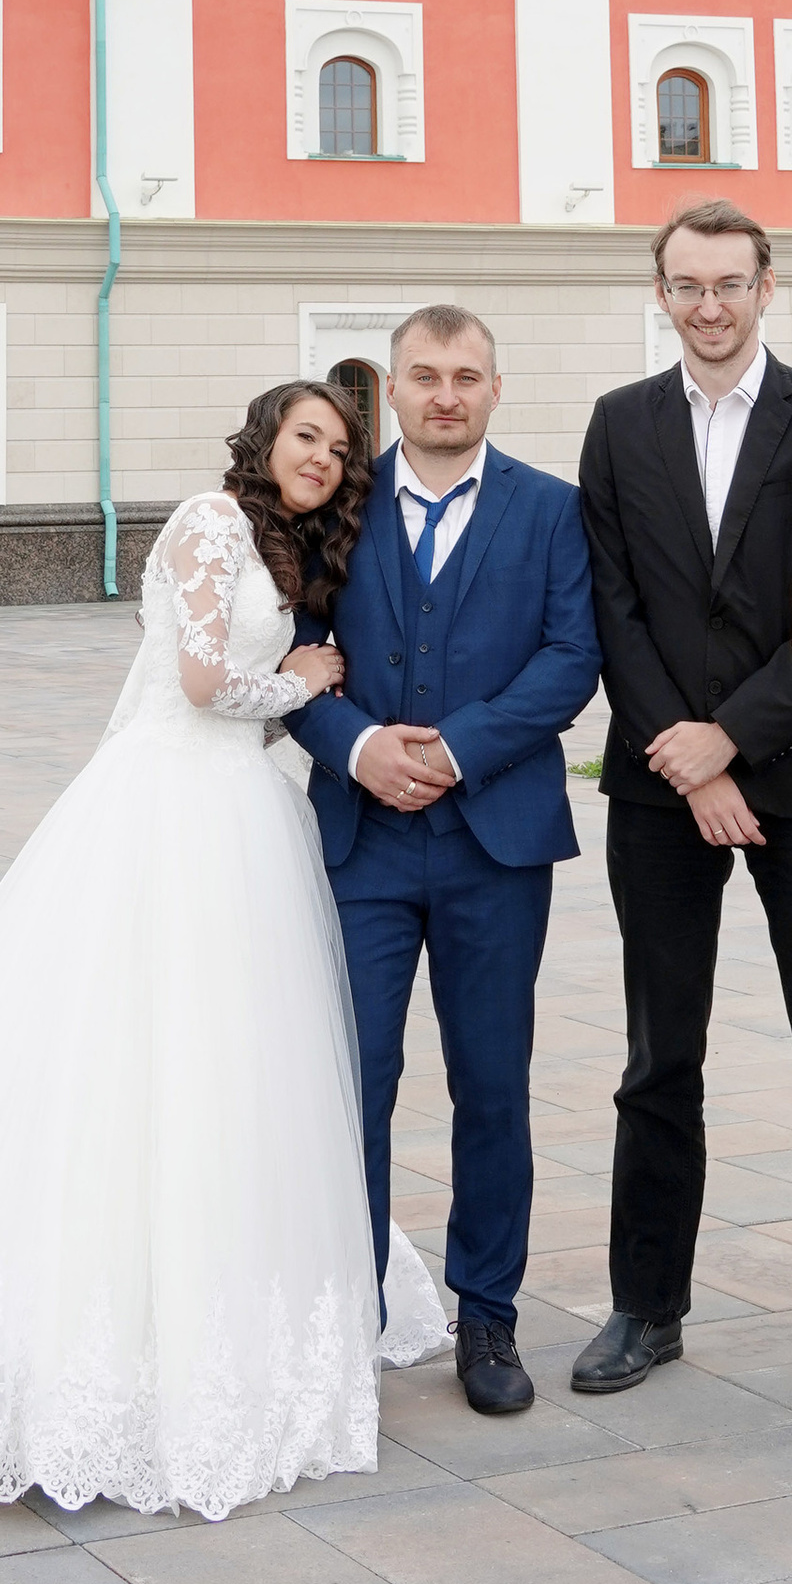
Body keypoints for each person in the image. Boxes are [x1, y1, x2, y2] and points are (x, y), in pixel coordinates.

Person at [0, 382, 447, 1523]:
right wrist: (306, 681)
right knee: (122, 1043)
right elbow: (203, 682)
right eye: (305, 436)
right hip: (171, 805)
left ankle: (222, 1289)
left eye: (337, 446)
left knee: (227, 1060)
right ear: (263, 439)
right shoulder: (210, 523)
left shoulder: (289, 541)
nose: (322, 456)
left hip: (243, 811)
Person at [574, 201, 792, 1433]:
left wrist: (738, 737)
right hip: (662, 786)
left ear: (767, 287)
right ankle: (645, 1307)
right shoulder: (619, 426)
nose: (707, 305)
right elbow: (613, 610)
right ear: (658, 294)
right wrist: (690, 760)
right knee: (660, 1056)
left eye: (727, 283)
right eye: (685, 285)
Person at [286, 307, 601, 1418]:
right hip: (360, 840)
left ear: (495, 388)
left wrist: (459, 751)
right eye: (424, 375)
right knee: (350, 1085)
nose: (445, 395)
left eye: (467, 375)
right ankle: (346, 1316)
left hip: (495, 844)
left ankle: (488, 1317)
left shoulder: (553, 511)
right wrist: (361, 749)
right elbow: (288, 657)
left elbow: (572, 659)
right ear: (396, 387)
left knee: (492, 1086)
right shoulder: (336, 503)